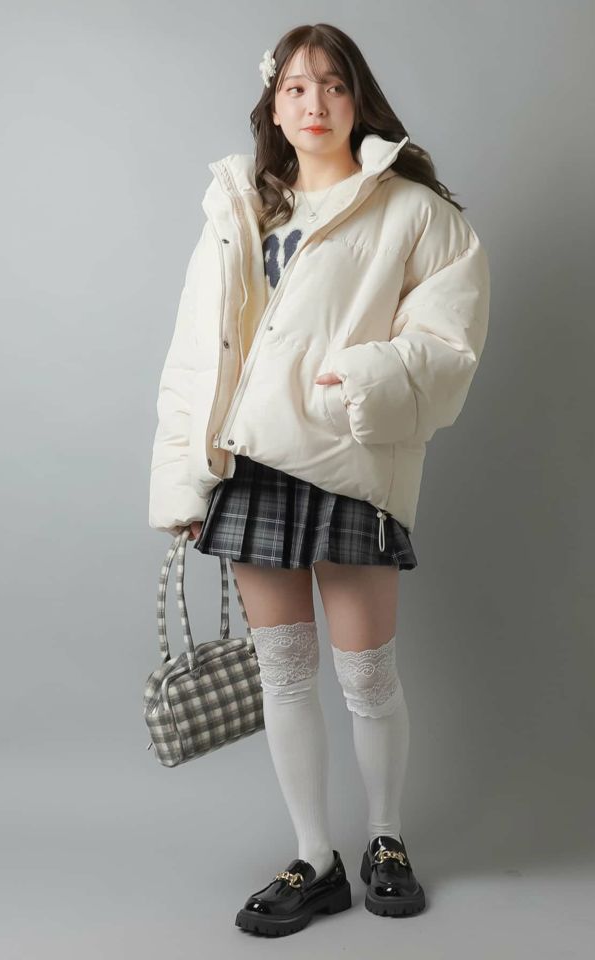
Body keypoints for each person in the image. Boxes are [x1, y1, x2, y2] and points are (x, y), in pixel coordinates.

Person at [148, 22, 490, 937]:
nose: (314, 104)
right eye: (295, 88)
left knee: (368, 675)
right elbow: (195, 355)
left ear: (357, 99)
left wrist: (362, 379)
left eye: (333, 85)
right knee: (285, 676)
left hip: (348, 460)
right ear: (274, 105)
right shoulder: (241, 209)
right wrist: (185, 479)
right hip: (251, 466)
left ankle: (386, 841)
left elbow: (450, 341)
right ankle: (315, 858)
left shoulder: (415, 212)